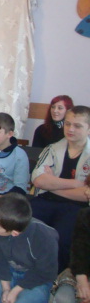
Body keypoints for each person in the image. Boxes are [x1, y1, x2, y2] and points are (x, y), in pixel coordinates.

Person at [30, 105, 90, 273]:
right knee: (24, 225)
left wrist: (53, 184)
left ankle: (53, 278)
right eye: (68, 124)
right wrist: (77, 184)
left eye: (77, 126)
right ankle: (25, 271)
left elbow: (86, 195)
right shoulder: (52, 149)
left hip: (76, 206)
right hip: (45, 200)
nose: (70, 129)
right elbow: (38, 179)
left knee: (62, 237)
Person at [50, 196, 90, 303]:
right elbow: (78, 250)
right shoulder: (85, 215)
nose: (86, 192)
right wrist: (82, 280)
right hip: (80, 270)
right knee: (62, 300)